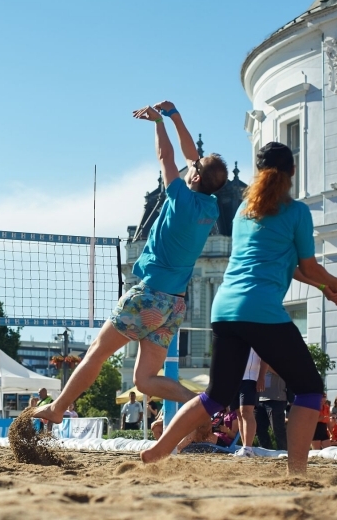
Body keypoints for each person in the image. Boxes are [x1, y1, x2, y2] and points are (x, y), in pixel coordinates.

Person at [142, 141, 337, 475]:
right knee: (310, 389)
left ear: (258, 173)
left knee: (215, 396)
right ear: (292, 172)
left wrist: (325, 285)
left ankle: (160, 448)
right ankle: (297, 473)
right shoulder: (296, 211)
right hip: (261, 311)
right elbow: (308, 266)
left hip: (225, 310)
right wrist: (333, 283)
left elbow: (289, 266)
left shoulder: (244, 212)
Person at [28, 101, 228, 427]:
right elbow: (192, 158)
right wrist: (174, 115)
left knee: (97, 352)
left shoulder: (178, 197)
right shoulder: (212, 207)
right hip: (174, 305)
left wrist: (158, 123)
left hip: (148, 297)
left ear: (193, 175)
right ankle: (201, 404)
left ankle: (58, 407)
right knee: (144, 380)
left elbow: (167, 157)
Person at [232, 350, 268, 457]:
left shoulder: (256, 336)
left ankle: (248, 448)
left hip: (250, 378)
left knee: (246, 412)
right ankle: (244, 448)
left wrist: (261, 377)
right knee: (239, 413)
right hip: (234, 379)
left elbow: (265, 357)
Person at [255, 369, 288, 450]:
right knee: (259, 429)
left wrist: (264, 365)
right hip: (259, 398)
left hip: (276, 399)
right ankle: (266, 451)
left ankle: (284, 452)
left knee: (277, 429)